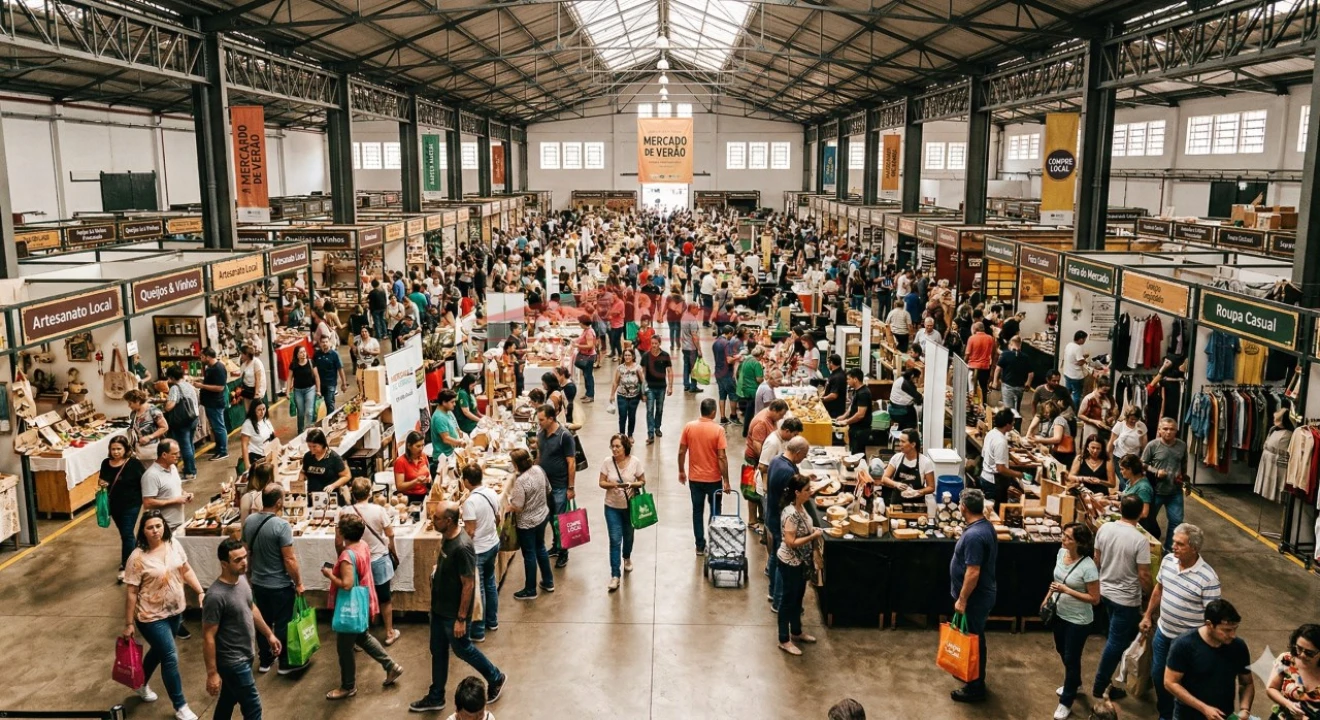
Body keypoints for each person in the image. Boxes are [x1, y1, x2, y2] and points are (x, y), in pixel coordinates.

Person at [411, 502, 507, 714]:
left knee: (463, 649)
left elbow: (468, 584)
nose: (432, 520)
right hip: (439, 609)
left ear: (449, 521)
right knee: (437, 651)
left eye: (436, 518)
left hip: (453, 614)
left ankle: (495, 677)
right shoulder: (446, 536)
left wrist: (461, 619)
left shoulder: (462, 547)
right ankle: (436, 696)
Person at [123, 509, 205, 720]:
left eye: (158, 526)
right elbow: (131, 592)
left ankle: (140, 683)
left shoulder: (173, 544)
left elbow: (186, 570)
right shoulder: (137, 558)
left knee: (160, 651)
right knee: (169, 656)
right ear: (143, 531)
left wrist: (200, 591)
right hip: (150, 616)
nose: (155, 531)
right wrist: (129, 624)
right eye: (150, 527)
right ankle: (181, 706)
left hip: (175, 611)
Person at [1141, 523, 1222, 720]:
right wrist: (1148, 615)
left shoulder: (1208, 578)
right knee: (1159, 677)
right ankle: (1165, 714)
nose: (1173, 546)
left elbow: (1213, 617)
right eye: (1174, 542)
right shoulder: (1168, 560)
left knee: (1183, 684)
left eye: (1180, 544)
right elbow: (1159, 589)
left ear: (1194, 548)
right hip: (1163, 634)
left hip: (1187, 644)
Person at [323, 513, 404, 700]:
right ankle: (391, 666)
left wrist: (329, 575)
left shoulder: (347, 556)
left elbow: (347, 584)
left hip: (349, 607)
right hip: (362, 601)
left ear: (343, 533)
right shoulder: (364, 545)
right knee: (363, 637)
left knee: (344, 648)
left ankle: (348, 686)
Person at [203, 538, 282, 720]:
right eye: (237, 560)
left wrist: (269, 635)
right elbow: (208, 636)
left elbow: (251, 607)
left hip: (246, 654)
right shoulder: (215, 596)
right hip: (232, 662)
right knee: (253, 708)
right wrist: (212, 673)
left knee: (228, 698)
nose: (244, 562)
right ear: (224, 564)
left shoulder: (242, 579)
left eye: (245, 557)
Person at [1092, 494, 1154, 702]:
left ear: (1120, 509)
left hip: (1105, 592)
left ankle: (1113, 678)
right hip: (1126, 600)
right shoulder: (1140, 540)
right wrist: (1150, 596)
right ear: (1140, 514)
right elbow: (1144, 575)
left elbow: (1097, 559)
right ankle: (1101, 685)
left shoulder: (1104, 528)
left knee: (1116, 637)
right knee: (1116, 642)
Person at [242, 485, 307, 674]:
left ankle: (265, 660)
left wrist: (249, 574)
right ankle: (285, 662)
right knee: (283, 623)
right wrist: (299, 583)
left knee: (263, 622)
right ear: (279, 502)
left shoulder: (250, 521)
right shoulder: (281, 526)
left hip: (258, 583)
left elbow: (246, 551)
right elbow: (289, 559)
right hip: (280, 585)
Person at [1044, 523, 1100, 720]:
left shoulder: (1088, 567)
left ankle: (1066, 701)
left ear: (1080, 543)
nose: (1063, 539)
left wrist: (1067, 590)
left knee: (1071, 658)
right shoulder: (1061, 554)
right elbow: (1056, 582)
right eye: (1064, 535)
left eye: (1068, 537)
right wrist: (1047, 598)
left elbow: (1095, 598)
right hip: (1059, 613)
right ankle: (1075, 683)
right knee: (1062, 650)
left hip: (1078, 620)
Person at [1165, 599, 1253, 720]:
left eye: (1235, 629)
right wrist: (1204, 708)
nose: (1233, 635)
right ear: (1209, 625)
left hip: (1223, 716)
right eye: (1227, 630)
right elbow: (1170, 682)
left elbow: (1247, 683)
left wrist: (1244, 709)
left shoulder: (1238, 646)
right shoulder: (1184, 645)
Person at [338, 477, 400, 646]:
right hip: (378, 558)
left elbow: (338, 540)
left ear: (353, 493)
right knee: (385, 597)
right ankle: (389, 632)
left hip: (355, 560)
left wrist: (342, 557)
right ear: (370, 493)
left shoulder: (344, 512)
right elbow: (390, 534)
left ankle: (360, 636)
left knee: (359, 597)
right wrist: (393, 550)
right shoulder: (378, 510)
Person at [950, 488, 996, 703]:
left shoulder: (975, 535)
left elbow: (973, 571)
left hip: (975, 598)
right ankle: (969, 673)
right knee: (972, 637)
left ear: (963, 508)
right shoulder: (983, 526)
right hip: (979, 595)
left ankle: (975, 686)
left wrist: (962, 599)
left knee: (973, 641)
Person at [678, 398, 730, 555]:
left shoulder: (689, 427)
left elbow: (681, 451)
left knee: (697, 511)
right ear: (713, 412)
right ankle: (714, 543)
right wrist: (726, 480)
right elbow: (722, 457)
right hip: (714, 480)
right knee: (715, 511)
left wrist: (681, 470)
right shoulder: (718, 430)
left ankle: (699, 546)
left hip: (695, 479)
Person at [776, 473, 821, 656]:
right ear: (797, 492)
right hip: (790, 562)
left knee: (798, 598)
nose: (810, 492)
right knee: (787, 601)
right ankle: (783, 639)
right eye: (806, 490)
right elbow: (790, 542)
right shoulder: (791, 514)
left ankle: (796, 631)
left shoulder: (801, 507)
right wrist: (813, 536)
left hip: (801, 561)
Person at [459, 465, 501, 642]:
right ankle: (492, 621)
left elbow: (469, 531)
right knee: (490, 583)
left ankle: (478, 631)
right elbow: (498, 518)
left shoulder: (470, 502)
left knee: (479, 589)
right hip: (493, 544)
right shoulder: (491, 493)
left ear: (466, 481)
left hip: (479, 550)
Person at [600, 433, 645, 592]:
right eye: (612, 446)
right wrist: (611, 485)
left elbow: (642, 481)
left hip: (630, 507)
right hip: (611, 506)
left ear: (625, 447)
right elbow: (601, 482)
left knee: (629, 536)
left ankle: (627, 557)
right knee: (614, 540)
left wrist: (631, 485)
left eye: (617, 446)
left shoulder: (635, 462)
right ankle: (615, 575)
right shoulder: (607, 462)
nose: (614, 449)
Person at [507, 448, 554, 601]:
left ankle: (530, 589)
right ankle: (548, 581)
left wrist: (509, 505)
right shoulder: (539, 470)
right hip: (542, 516)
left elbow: (518, 506)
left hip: (527, 523)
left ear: (516, 464)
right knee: (540, 547)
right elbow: (548, 489)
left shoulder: (521, 482)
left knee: (529, 554)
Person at [536, 404, 577, 568]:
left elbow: (571, 463)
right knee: (550, 518)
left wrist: (571, 487)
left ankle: (563, 552)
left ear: (551, 418)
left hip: (560, 486)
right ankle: (556, 545)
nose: (539, 423)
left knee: (561, 521)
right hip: (545, 486)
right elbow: (540, 456)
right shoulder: (541, 434)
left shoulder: (564, 436)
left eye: (542, 420)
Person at [101, 434, 146, 583]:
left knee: (126, 534)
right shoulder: (106, 463)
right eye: (113, 449)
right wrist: (102, 483)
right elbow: (103, 478)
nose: (115, 452)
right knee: (126, 534)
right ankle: (137, 554)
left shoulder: (134, 464)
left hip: (132, 504)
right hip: (114, 505)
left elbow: (144, 480)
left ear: (125, 449)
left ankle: (126, 566)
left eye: (119, 449)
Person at [1142, 418, 1189, 554]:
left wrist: (1186, 480)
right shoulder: (1152, 445)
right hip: (1156, 491)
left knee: (1176, 522)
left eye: (1172, 429)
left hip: (1175, 492)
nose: (1168, 432)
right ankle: (1147, 548)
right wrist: (1156, 471)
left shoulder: (1182, 445)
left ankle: (1168, 550)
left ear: (1176, 431)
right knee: (1148, 521)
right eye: (1165, 429)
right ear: (1159, 430)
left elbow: (1184, 464)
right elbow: (1142, 463)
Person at [1266, 624, 1320, 718]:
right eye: (1299, 648)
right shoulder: (1286, 659)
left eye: (1309, 653)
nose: (1302, 655)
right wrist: (1288, 704)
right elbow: (1271, 688)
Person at [142, 439, 192, 532]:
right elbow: (148, 503)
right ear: (164, 455)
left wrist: (185, 494)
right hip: (165, 527)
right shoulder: (151, 475)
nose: (178, 456)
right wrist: (175, 500)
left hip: (179, 522)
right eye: (174, 454)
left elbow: (176, 487)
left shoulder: (172, 467)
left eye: (178, 453)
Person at [877, 429, 935, 508]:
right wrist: (896, 484)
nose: (900, 444)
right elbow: (884, 478)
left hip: (917, 506)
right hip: (896, 505)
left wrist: (918, 492)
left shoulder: (925, 462)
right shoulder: (896, 458)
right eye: (899, 441)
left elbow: (931, 487)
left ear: (913, 444)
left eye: (903, 442)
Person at [979, 409, 1023, 505]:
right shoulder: (1000, 441)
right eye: (1012, 422)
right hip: (994, 483)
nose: (1014, 423)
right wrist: (1017, 474)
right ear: (1007, 424)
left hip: (985, 477)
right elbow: (1000, 469)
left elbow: (985, 454)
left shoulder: (991, 433)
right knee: (996, 510)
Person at [164, 366, 200, 482]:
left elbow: (170, 406)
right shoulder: (188, 385)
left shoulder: (175, 388)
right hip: (193, 418)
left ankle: (190, 472)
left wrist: (165, 404)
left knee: (185, 447)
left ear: (171, 377)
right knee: (189, 444)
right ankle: (190, 468)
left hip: (182, 421)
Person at [196, 348, 231, 461]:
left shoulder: (218, 368)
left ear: (208, 357)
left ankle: (223, 451)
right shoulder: (210, 368)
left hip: (215, 403)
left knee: (219, 427)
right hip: (210, 402)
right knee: (215, 427)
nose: (201, 359)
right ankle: (219, 447)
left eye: (202, 357)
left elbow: (220, 387)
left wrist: (202, 386)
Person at [300, 428, 351, 496]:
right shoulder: (307, 456)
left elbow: (347, 476)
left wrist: (333, 486)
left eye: (314, 446)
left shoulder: (334, 458)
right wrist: (299, 484)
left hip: (329, 496)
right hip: (312, 496)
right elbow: (303, 472)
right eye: (309, 446)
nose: (311, 449)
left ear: (322, 444)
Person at [1108, 406, 1148, 491]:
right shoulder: (1120, 425)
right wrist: (1108, 459)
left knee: (1131, 480)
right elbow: (1111, 442)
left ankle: (1121, 497)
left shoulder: (1141, 426)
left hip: (1134, 459)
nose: (1133, 421)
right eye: (1131, 419)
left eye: (1136, 419)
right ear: (1127, 417)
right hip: (1119, 458)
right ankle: (1126, 496)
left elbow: (1145, 445)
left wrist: (1144, 459)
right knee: (1125, 482)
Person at [642, 341, 673, 444]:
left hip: (661, 388)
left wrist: (670, 387)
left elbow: (670, 371)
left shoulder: (665, 355)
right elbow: (642, 373)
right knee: (650, 410)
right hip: (649, 388)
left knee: (659, 409)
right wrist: (642, 389)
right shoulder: (646, 356)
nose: (654, 345)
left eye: (656, 343)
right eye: (652, 343)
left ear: (659, 344)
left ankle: (657, 427)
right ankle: (650, 434)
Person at [993, 336, 1032, 414]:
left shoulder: (1005, 355)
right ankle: (1016, 420)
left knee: (1008, 410)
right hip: (1020, 387)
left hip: (1007, 386)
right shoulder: (1025, 357)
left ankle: (1010, 420)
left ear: (1010, 344)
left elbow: (997, 369)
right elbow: (1031, 373)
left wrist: (995, 382)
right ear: (1020, 345)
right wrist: (1028, 383)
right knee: (1016, 409)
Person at [430, 390, 467, 475]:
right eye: (452, 402)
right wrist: (460, 442)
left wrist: (461, 434)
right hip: (443, 458)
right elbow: (445, 438)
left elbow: (456, 427)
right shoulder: (439, 417)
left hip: (452, 453)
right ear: (444, 402)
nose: (455, 404)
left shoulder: (449, 411)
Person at [1030, 400, 1075, 468]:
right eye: (1044, 412)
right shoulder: (1052, 420)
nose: (1045, 414)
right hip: (1058, 453)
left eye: (1047, 412)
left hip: (1063, 454)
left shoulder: (1059, 420)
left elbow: (1057, 439)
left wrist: (1038, 440)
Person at [127, 388, 169, 461]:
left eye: (130, 403)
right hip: (141, 451)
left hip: (153, 448)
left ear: (137, 401)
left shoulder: (153, 410)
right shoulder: (133, 413)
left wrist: (150, 437)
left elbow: (164, 427)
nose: (129, 406)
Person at [837, 369, 873, 455]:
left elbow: (860, 414)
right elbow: (852, 406)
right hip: (854, 428)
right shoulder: (856, 391)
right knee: (853, 452)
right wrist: (843, 416)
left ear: (855, 379)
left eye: (849, 379)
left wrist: (846, 421)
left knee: (858, 455)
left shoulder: (863, 393)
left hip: (860, 430)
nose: (847, 381)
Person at [611, 348, 645, 437]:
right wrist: (612, 394)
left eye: (629, 355)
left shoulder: (638, 368)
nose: (627, 357)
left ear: (633, 356)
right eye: (625, 355)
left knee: (631, 416)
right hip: (622, 396)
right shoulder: (620, 368)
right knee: (622, 416)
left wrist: (644, 394)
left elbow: (643, 382)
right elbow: (616, 382)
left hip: (634, 396)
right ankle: (622, 435)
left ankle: (630, 435)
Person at [240, 399, 278, 472]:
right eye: (259, 410)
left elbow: (273, 437)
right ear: (253, 410)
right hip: (256, 457)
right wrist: (247, 464)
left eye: (264, 409)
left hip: (268, 454)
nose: (262, 412)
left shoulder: (266, 420)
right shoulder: (248, 424)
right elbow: (244, 445)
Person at [289, 344, 320, 433]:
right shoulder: (293, 365)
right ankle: (300, 431)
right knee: (301, 412)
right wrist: (287, 392)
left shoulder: (311, 362)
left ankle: (308, 431)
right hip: (298, 391)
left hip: (310, 389)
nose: (303, 354)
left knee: (309, 411)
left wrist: (318, 390)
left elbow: (317, 376)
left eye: (304, 351)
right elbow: (289, 378)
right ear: (297, 355)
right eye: (301, 352)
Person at [1078, 377, 1117, 448]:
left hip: (1105, 429)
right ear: (1098, 386)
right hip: (1091, 428)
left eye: (1107, 391)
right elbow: (1080, 415)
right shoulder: (1089, 398)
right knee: (1092, 446)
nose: (1104, 393)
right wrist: (1094, 421)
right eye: (1103, 390)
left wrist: (1112, 417)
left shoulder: (1109, 398)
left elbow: (1115, 410)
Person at [736, 345, 766, 437]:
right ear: (760, 355)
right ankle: (746, 431)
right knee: (750, 412)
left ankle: (747, 430)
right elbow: (759, 379)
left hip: (745, 388)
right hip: (753, 390)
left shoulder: (746, 359)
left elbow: (738, 373)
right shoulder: (756, 364)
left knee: (748, 411)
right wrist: (765, 378)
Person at [395, 430, 434, 500]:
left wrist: (429, 479)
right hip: (409, 497)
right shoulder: (400, 462)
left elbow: (428, 474)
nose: (421, 449)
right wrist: (415, 482)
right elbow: (399, 486)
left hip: (424, 494)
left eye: (423, 445)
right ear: (409, 446)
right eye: (418, 446)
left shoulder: (423, 456)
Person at [712, 325, 738, 423]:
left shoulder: (715, 342)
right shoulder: (727, 343)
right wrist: (738, 357)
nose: (732, 336)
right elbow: (729, 360)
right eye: (732, 334)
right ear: (730, 333)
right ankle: (733, 416)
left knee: (722, 395)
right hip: (727, 373)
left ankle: (722, 418)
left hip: (718, 372)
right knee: (733, 395)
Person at [964, 323, 996, 402]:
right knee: (983, 388)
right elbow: (993, 354)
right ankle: (983, 405)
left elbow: (967, 355)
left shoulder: (972, 338)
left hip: (972, 368)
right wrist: (992, 370)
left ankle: (974, 404)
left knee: (972, 389)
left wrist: (964, 363)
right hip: (985, 367)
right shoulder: (990, 338)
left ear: (975, 329)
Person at [888, 367, 922, 432]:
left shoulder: (901, 379)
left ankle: (902, 430)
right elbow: (918, 397)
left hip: (894, 408)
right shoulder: (905, 384)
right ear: (912, 376)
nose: (916, 381)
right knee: (914, 416)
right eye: (917, 378)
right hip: (901, 411)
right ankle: (909, 432)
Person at [1062, 331, 1090, 410]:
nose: (1084, 341)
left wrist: (1082, 357)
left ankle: (1063, 409)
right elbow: (1080, 362)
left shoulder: (1069, 345)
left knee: (1067, 393)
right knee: (1076, 396)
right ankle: (1075, 412)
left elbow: (1073, 358)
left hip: (1067, 373)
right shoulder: (1078, 348)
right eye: (1084, 339)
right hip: (1075, 376)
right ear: (1081, 339)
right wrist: (1084, 360)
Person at [573, 315, 598, 402]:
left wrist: (578, 346)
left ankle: (590, 396)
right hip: (586, 355)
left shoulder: (589, 332)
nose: (579, 324)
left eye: (580, 322)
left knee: (588, 376)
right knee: (586, 375)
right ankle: (588, 393)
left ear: (583, 323)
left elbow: (590, 345)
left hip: (588, 356)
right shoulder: (586, 330)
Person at [680, 301, 703, 393]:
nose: (698, 310)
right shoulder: (692, 320)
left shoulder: (684, 317)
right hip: (692, 348)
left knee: (686, 366)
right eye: (697, 308)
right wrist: (699, 349)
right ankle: (693, 386)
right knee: (694, 367)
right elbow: (694, 336)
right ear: (692, 308)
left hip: (684, 347)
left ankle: (686, 385)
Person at [821, 354, 848, 419]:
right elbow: (827, 389)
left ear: (831, 363)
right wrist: (820, 396)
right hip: (829, 409)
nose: (827, 364)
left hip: (835, 412)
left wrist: (822, 399)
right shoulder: (834, 373)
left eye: (828, 362)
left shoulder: (838, 377)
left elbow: (834, 395)